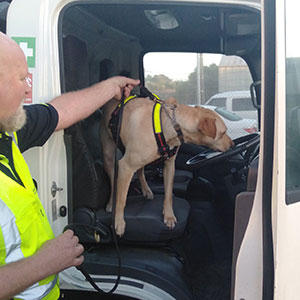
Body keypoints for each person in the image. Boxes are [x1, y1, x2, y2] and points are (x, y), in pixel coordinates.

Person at [0, 32, 140, 300]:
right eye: (21, 79)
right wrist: (43, 263)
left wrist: (111, 86)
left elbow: (60, 111)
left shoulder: (9, 131)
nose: (29, 89)